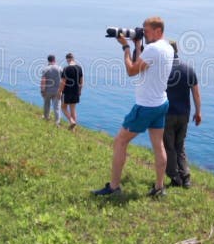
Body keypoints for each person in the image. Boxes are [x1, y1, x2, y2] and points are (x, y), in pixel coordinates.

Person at [92, 16, 174, 197]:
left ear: (158, 31)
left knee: (120, 141)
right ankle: (159, 188)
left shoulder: (152, 49)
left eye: (147, 31)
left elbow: (131, 70)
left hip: (146, 106)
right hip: (161, 102)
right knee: (158, 144)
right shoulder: (167, 47)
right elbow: (143, 66)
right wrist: (138, 46)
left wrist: (126, 47)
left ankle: (114, 187)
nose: (144, 34)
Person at [163, 40, 201, 188]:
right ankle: (186, 177)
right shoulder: (189, 69)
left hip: (167, 113)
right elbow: (196, 94)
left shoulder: (163, 70)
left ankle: (175, 177)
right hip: (184, 114)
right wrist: (198, 113)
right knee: (180, 145)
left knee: (169, 146)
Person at [59, 52, 84, 131]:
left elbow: (63, 82)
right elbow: (81, 82)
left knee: (63, 107)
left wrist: (60, 92)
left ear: (67, 59)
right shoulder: (79, 68)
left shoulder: (66, 69)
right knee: (73, 109)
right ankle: (73, 129)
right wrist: (79, 91)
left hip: (67, 92)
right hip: (76, 91)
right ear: (73, 58)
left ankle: (71, 121)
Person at [40, 55, 63, 126]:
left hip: (47, 90)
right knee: (57, 107)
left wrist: (42, 90)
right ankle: (57, 122)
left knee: (46, 105)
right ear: (54, 60)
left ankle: (46, 117)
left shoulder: (45, 69)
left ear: (48, 60)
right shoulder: (60, 68)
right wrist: (61, 91)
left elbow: (43, 80)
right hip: (57, 91)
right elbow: (63, 80)